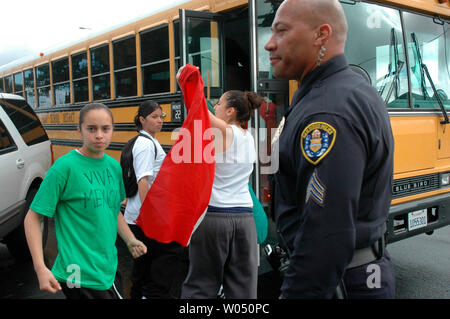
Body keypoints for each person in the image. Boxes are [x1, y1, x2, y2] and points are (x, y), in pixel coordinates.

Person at [264, 0, 395, 298]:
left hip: (342, 283)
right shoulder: (350, 90)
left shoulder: (326, 112)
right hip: (361, 275)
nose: (269, 45)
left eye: (281, 31)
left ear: (321, 35)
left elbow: (324, 238)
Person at [24, 103, 147, 299]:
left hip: (107, 267)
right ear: (79, 129)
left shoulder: (113, 167)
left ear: (112, 130)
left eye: (105, 129)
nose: (99, 135)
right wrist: (40, 268)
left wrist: (130, 240)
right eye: (91, 128)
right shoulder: (64, 168)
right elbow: (32, 218)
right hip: (77, 273)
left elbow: (112, 210)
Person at [178, 66, 263, 299]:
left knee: (201, 286)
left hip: (215, 217)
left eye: (219, 104)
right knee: (243, 289)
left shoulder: (226, 132)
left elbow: (200, 111)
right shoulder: (250, 137)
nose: (215, 106)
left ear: (231, 111)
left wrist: (187, 81)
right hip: (245, 220)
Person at [124, 100, 188, 299]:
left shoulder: (146, 141)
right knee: (164, 261)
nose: (159, 121)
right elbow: (143, 180)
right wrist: (150, 214)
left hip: (139, 216)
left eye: (161, 117)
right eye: (154, 117)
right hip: (145, 217)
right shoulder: (145, 144)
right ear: (142, 120)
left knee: (143, 268)